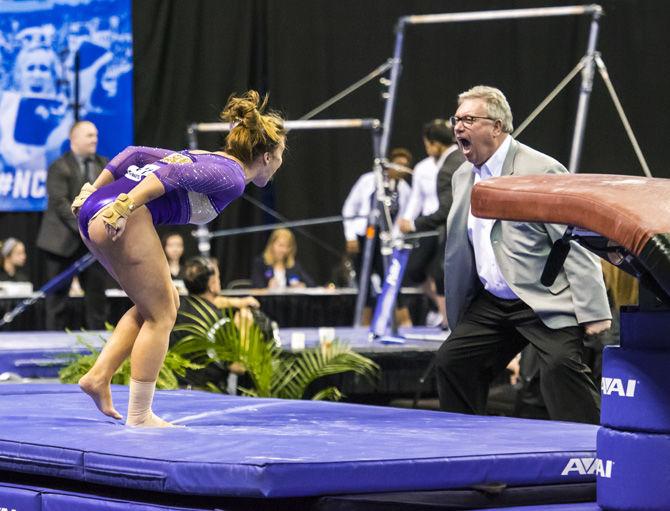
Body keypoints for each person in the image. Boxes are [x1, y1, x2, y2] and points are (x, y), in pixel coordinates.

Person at [74, 90, 285, 427]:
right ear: (266, 157)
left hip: (93, 213)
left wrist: (90, 192)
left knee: (158, 302)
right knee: (163, 314)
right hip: (120, 217)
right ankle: (140, 415)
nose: (280, 163)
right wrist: (123, 208)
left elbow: (133, 154)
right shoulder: (231, 176)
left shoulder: (206, 157)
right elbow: (168, 176)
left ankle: (98, 377)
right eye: (280, 155)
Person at [435, 85, 611, 424]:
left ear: (497, 127)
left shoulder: (541, 170)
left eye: (469, 119)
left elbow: (574, 241)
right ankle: (468, 458)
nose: (458, 127)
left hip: (542, 297)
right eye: (456, 119)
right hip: (493, 301)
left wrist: (593, 310)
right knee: (453, 363)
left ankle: (595, 455)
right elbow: (461, 249)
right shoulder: (461, 176)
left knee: (560, 369)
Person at [36, 120, 110, 330]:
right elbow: (60, 203)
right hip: (60, 243)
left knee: (97, 297)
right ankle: (51, 347)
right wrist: (84, 226)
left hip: (92, 244)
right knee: (57, 299)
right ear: (74, 139)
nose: (95, 139)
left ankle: (98, 346)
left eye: (96, 135)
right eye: (89, 135)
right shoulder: (59, 166)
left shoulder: (104, 164)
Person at [399, 120, 465, 329]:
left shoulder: (447, 167)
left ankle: (451, 321)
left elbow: (447, 210)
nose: (426, 149)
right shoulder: (461, 157)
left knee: (440, 272)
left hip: (447, 226)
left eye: (427, 144)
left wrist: (415, 225)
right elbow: (417, 200)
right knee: (426, 271)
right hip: (442, 225)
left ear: (435, 144)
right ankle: (447, 318)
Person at [342, 147, 412, 325]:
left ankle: (404, 323)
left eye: (406, 166)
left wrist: (396, 241)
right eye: (399, 164)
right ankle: (363, 325)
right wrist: (350, 235)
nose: (402, 169)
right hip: (365, 237)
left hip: (386, 241)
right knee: (364, 284)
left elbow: (403, 217)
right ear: (390, 164)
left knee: (392, 279)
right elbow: (349, 207)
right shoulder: (368, 180)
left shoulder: (404, 189)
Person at [169, 256, 261, 392]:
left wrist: (237, 302)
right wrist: (244, 329)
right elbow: (239, 366)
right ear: (212, 284)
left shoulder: (176, 307)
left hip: (173, 389)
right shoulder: (219, 324)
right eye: (218, 277)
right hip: (208, 395)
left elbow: (212, 301)